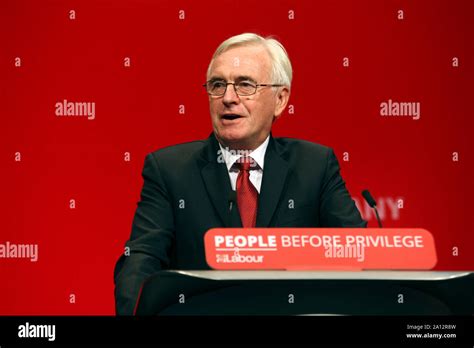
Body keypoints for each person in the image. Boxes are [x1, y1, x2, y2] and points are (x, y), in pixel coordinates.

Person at [114, 33, 367, 315]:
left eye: (245, 85)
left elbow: (358, 253)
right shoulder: (170, 170)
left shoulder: (315, 166)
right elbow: (140, 259)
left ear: (281, 99)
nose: (228, 98)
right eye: (217, 85)